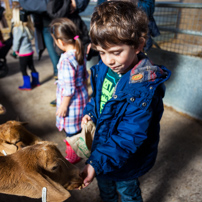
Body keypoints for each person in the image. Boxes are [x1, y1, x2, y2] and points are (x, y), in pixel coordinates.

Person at [81, 1, 171, 202]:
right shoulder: (106, 68)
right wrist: (91, 113)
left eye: (116, 52)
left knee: (128, 192)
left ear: (139, 45)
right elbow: (99, 99)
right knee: (105, 189)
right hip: (102, 149)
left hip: (126, 159)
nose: (108, 60)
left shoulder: (141, 88)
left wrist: (95, 163)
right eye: (102, 52)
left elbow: (129, 136)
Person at [50, 18, 89, 164]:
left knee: (71, 132)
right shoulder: (79, 51)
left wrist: (63, 106)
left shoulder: (66, 59)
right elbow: (85, 77)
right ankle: (79, 148)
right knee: (79, 127)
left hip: (71, 104)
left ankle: (73, 155)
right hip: (81, 98)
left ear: (60, 42)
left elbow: (68, 88)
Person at [12, 3, 40, 90]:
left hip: (23, 53)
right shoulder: (27, 27)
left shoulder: (17, 29)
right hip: (30, 52)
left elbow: (16, 42)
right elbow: (31, 37)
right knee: (31, 66)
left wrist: (15, 50)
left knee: (23, 69)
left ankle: (27, 85)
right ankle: (36, 82)